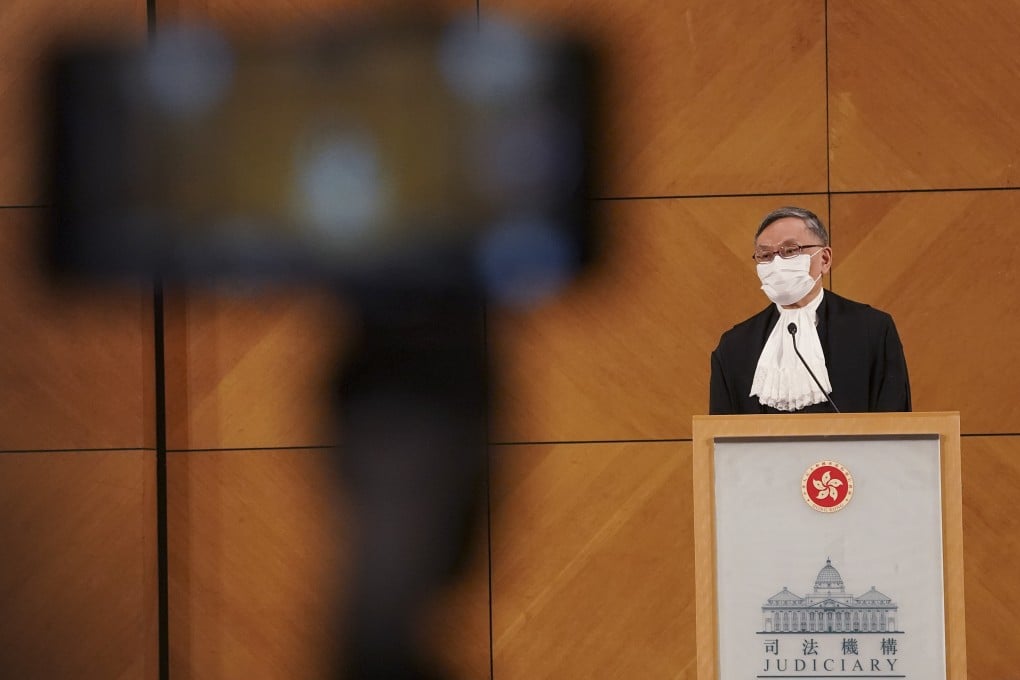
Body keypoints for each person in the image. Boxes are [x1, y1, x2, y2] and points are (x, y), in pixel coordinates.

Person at [709, 206, 911, 414]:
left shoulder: (872, 330)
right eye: (765, 255)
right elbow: (719, 437)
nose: (776, 263)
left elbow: (895, 423)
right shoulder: (735, 346)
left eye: (790, 251)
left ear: (824, 259)